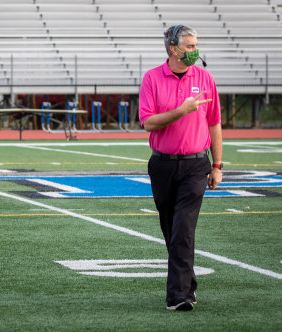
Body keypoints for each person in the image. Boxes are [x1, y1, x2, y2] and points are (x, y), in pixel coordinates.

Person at [139, 25, 222, 311]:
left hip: (197, 165)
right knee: (171, 230)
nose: (195, 51)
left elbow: (214, 123)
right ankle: (188, 283)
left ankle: (178, 295)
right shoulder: (152, 78)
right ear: (173, 48)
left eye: (196, 45)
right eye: (189, 46)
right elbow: (148, 122)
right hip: (162, 164)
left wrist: (218, 165)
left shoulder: (205, 77)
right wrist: (182, 111)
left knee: (183, 229)